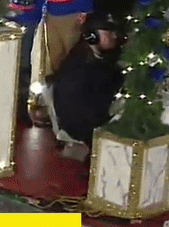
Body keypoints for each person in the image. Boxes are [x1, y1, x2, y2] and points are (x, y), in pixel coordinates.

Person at [45, 12, 124, 157]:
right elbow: (81, 113)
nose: (113, 36)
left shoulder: (101, 58)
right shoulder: (78, 69)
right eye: (108, 32)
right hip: (84, 128)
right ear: (91, 37)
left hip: (96, 120)